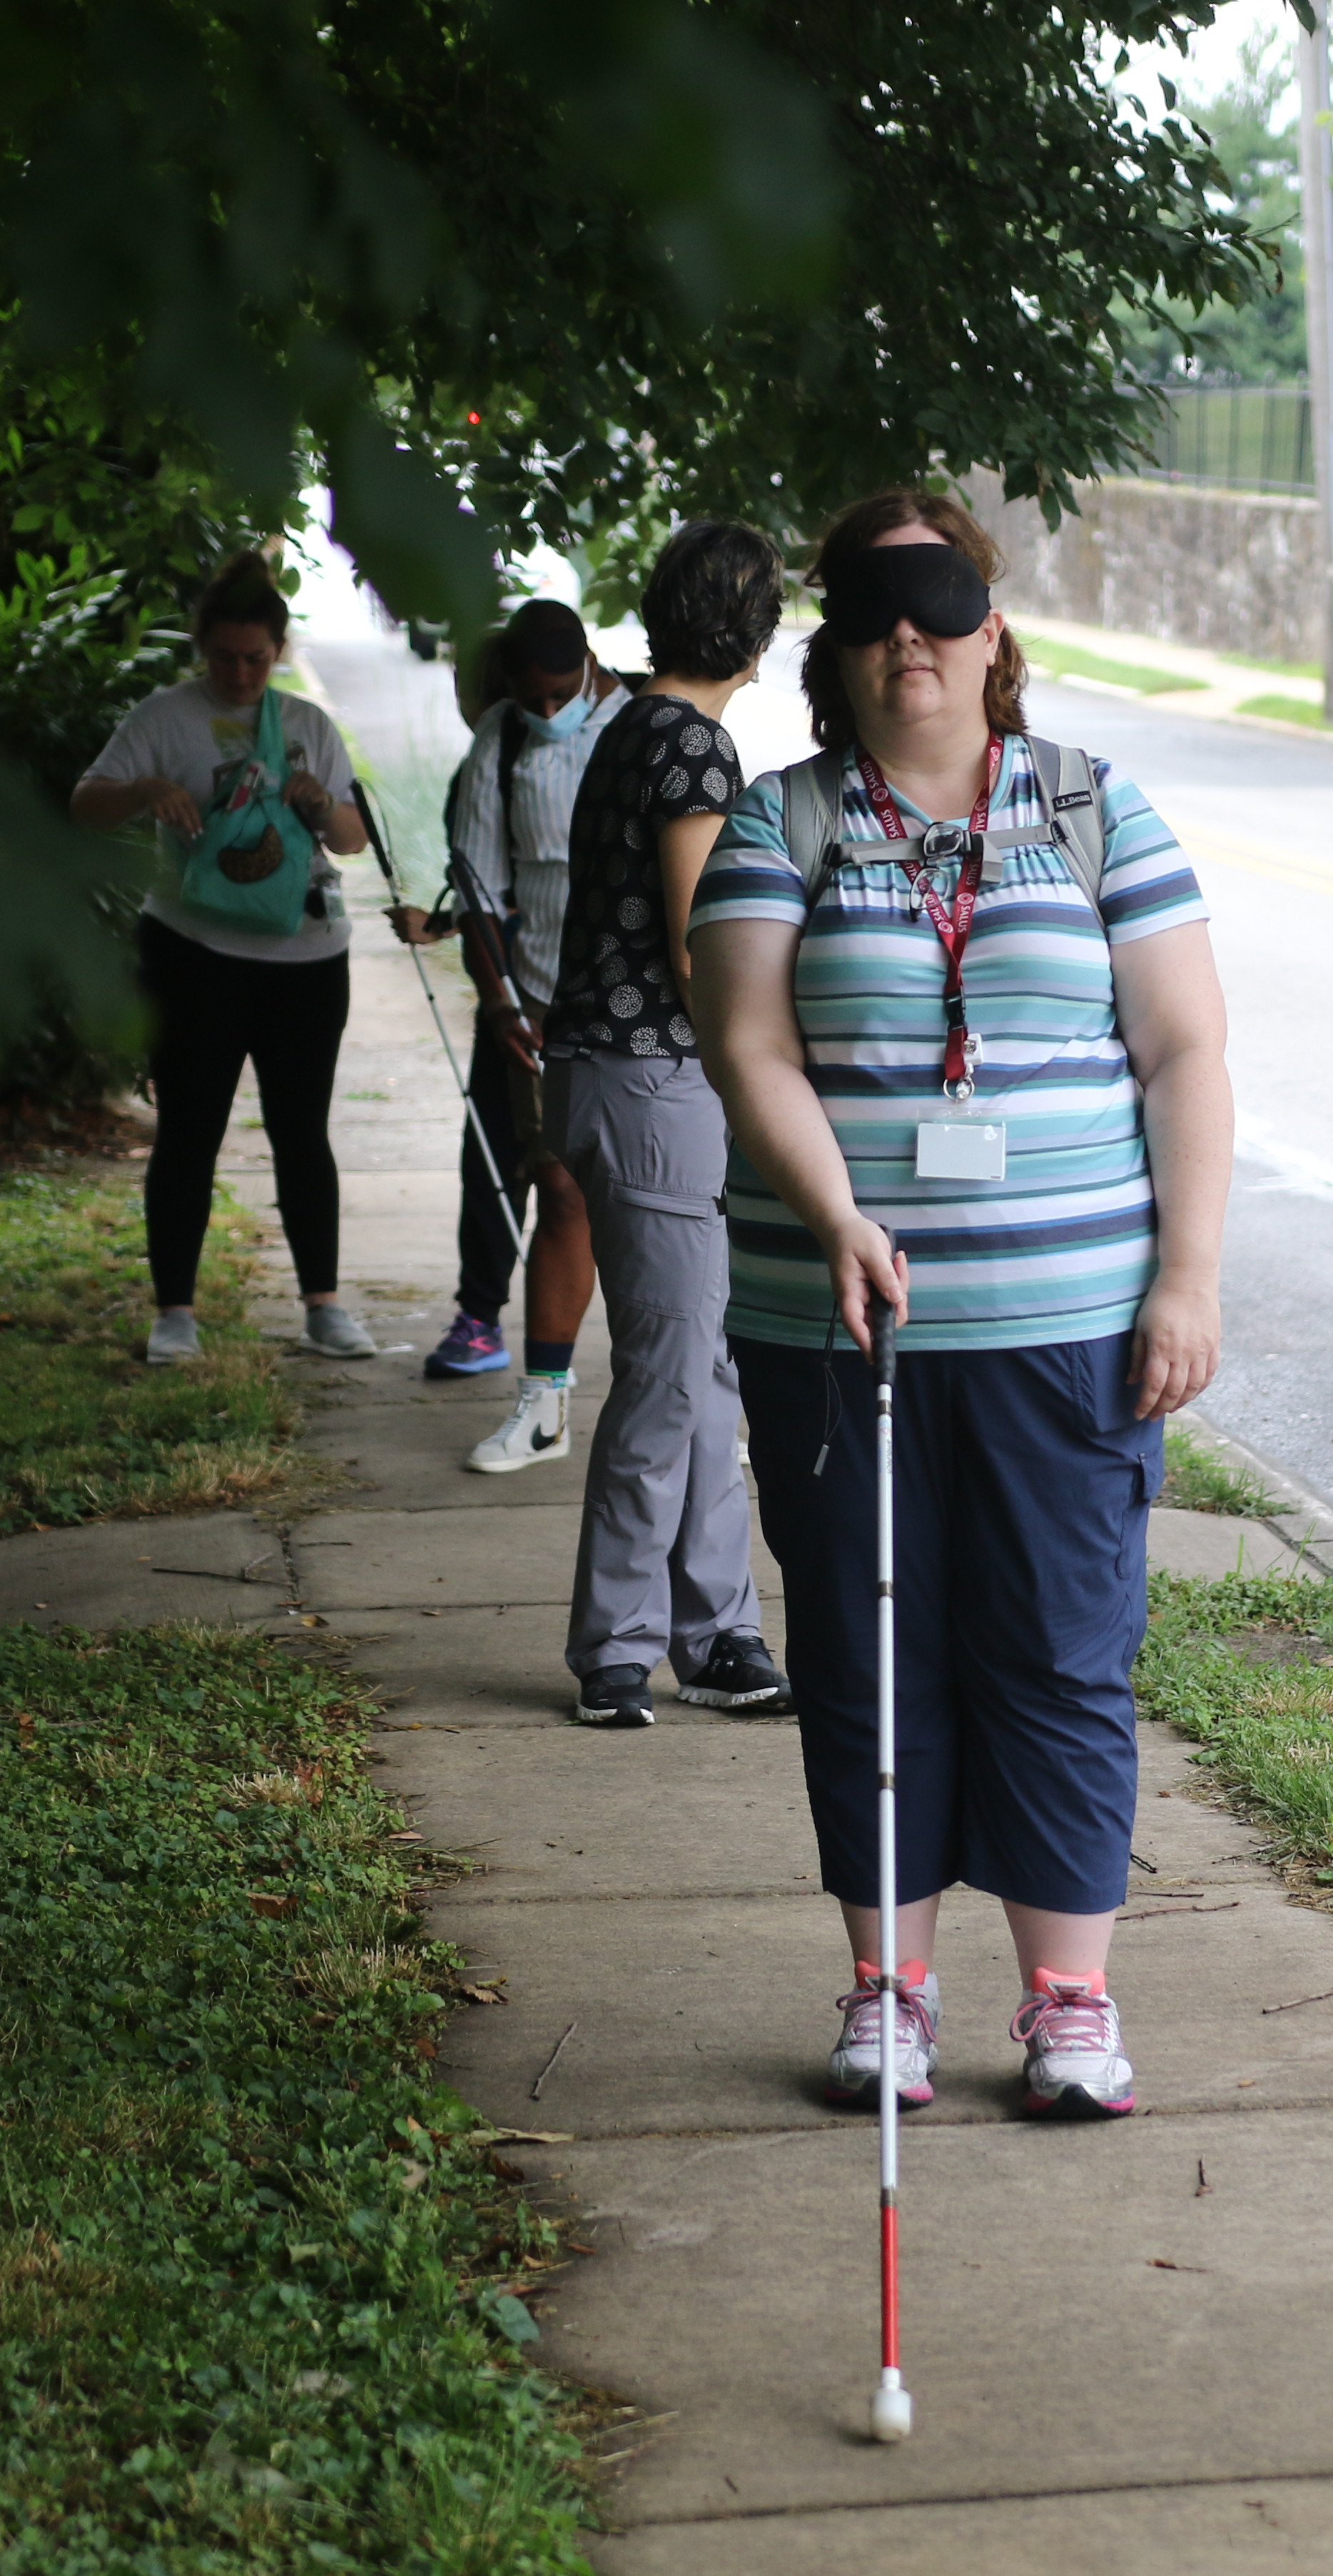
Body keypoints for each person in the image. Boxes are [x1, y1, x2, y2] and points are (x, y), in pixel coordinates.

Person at [694, 489, 1232, 2123]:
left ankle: (1068, 2003)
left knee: (1061, 1654)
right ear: (832, 651)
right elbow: (747, 1044)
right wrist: (837, 1210)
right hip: (832, 1331)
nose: (904, 638)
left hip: (1063, 1332)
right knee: (867, 1659)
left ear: (991, 633)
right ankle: (890, 1991)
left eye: (935, 604)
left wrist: (1186, 1279)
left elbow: (1184, 1050)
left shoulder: (1093, 811)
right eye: (868, 612)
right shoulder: (776, 821)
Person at [537, 522, 797, 1730]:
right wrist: (763, 1078)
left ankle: (719, 1630)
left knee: (700, 1364)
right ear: (756, 627)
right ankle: (618, 1645)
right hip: (653, 1086)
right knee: (669, 1370)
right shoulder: (694, 748)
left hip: (600, 1076)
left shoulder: (628, 727)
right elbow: (706, 947)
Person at [72, 547, 377, 1365]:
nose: (241, 675)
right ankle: (175, 1311)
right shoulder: (164, 717)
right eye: (225, 658)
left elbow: (351, 839)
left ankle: (325, 1306)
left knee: (301, 1132)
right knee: (190, 1130)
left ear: (279, 650)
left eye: (257, 658)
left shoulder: (307, 726)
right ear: (201, 648)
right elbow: (85, 805)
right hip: (192, 949)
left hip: (306, 956)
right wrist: (145, 793)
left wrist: (319, 806)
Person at [402, 599, 619, 1470]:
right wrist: (501, 1004)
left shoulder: (643, 722)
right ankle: (546, 1405)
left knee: (668, 1215)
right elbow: (482, 886)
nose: (550, 712)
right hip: (540, 1001)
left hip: (645, 1008)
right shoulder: (500, 742)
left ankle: (701, 1405)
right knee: (557, 1190)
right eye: (534, 699)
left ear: (591, 667)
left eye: (563, 694)